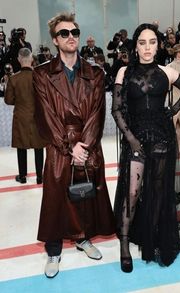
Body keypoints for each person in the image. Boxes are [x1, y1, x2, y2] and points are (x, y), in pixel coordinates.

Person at [32, 12, 115, 279]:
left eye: (74, 33)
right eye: (64, 33)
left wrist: (86, 146)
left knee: (86, 193)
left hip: (87, 143)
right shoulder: (41, 73)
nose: (71, 37)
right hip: (59, 146)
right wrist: (71, 147)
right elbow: (45, 116)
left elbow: (97, 114)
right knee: (56, 198)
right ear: (55, 40)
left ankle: (82, 237)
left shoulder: (96, 73)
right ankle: (54, 249)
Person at [112, 23, 180, 273]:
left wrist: (174, 109)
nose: (147, 48)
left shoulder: (166, 72)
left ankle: (154, 241)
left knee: (159, 193)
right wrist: (132, 140)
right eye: (142, 43)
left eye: (152, 42)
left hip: (162, 139)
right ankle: (125, 246)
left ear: (158, 45)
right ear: (135, 46)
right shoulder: (124, 72)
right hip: (135, 138)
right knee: (132, 194)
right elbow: (116, 110)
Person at [4, 48, 46, 184]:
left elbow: (8, 100)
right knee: (39, 147)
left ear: (18, 60)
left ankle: (22, 177)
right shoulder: (40, 77)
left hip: (21, 117)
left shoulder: (14, 79)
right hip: (37, 117)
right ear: (32, 59)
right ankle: (40, 177)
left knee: (21, 147)